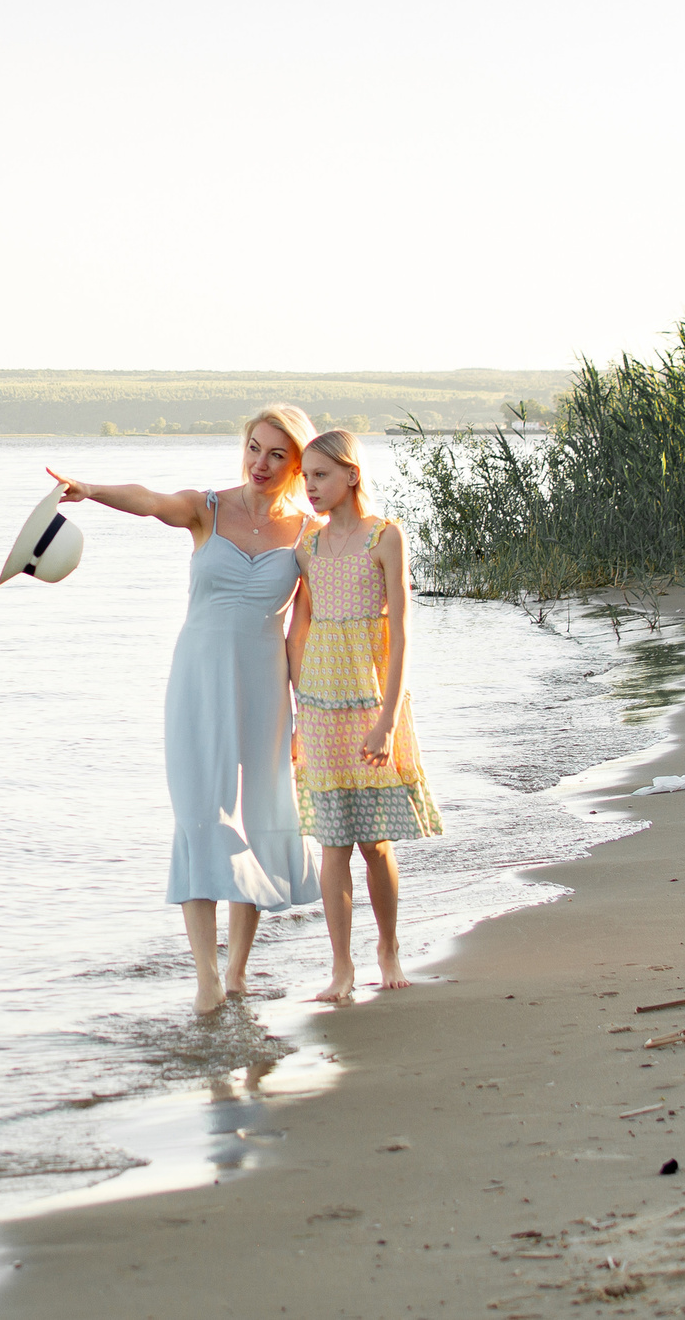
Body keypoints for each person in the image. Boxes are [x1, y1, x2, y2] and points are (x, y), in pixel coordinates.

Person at [48, 406, 321, 1013]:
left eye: (278, 454)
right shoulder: (209, 508)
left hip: (265, 691)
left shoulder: (307, 535)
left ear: (298, 463)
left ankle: (239, 973)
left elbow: (302, 635)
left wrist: (307, 715)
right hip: (197, 682)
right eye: (255, 447)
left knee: (251, 821)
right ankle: (205, 976)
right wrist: (90, 490)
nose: (262, 462)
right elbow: (149, 500)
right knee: (201, 819)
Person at [287, 428, 442, 1004]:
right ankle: (340, 968)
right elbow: (298, 628)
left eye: (321, 476)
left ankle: (389, 948)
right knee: (332, 841)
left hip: (373, 703)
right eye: (305, 478)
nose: (311, 488)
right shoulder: (309, 545)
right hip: (321, 709)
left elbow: (400, 636)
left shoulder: (386, 536)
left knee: (376, 841)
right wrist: (301, 707)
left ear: (351, 474)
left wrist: (388, 720)